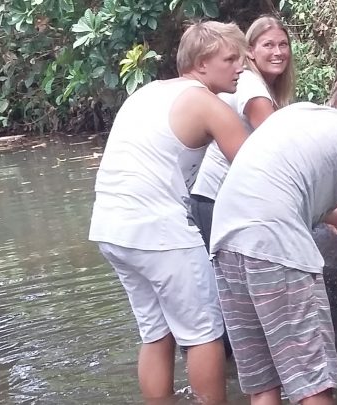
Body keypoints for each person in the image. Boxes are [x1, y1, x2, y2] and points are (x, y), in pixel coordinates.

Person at [209, 56, 337, 405]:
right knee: (313, 382)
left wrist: (334, 218)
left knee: (263, 384)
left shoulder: (296, 113)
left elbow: (290, 184)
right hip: (276, 248)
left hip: (225, 243)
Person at [88, 21, 249, 404]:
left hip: (111, 230)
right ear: (201, 63)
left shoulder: (148, 92)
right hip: (160, 232)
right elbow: (260, 174)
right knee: (205, 334)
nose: (241, 67)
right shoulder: (207, 104)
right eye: (230, 59)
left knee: (156, 333)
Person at [190, 15, 295, 247]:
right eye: (268, 45)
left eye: (283, 44)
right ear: (250, 51)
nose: (278, 52)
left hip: (224, 199)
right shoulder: (249, 84)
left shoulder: (266, 88)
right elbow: (280, 151)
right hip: (216, 199)